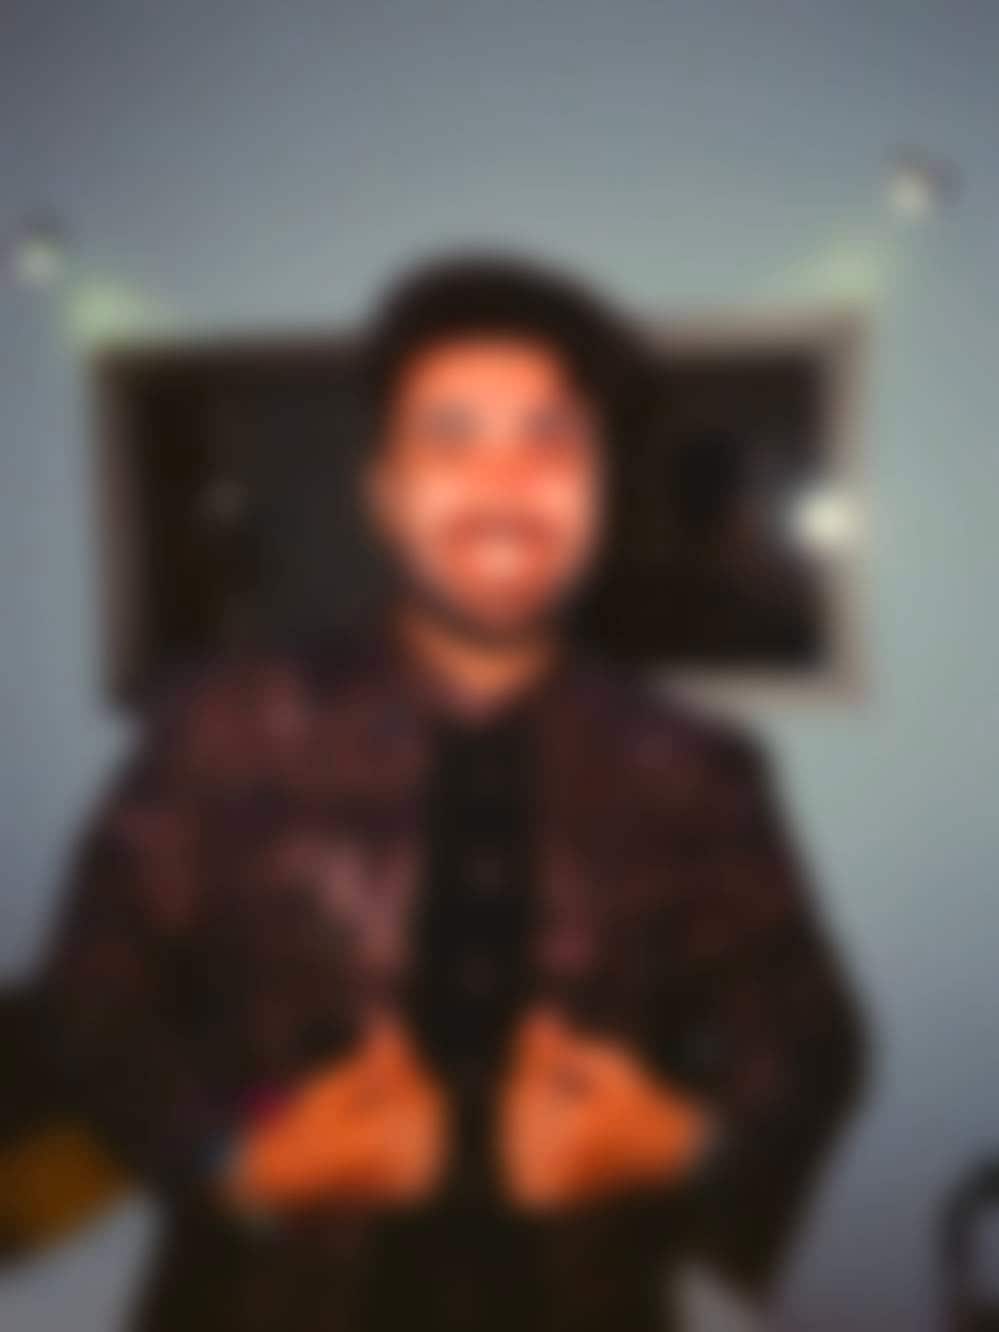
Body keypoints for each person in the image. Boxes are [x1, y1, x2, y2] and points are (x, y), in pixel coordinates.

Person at [43, 256, 864, 1332]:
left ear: (601, 489)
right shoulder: (224, 731)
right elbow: (90, 1003)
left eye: (550, 439)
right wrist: (236, 1158)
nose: (506, 485)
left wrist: (686, 1145)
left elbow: (809, 1033)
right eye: (453, 437)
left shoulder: (693, 767)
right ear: (383, 493)